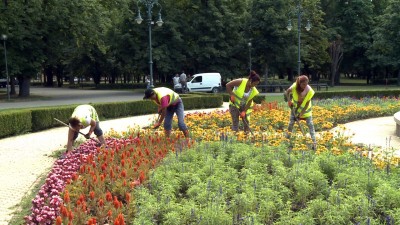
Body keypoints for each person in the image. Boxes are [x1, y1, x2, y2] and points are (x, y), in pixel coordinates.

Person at [284, 75, 317, 150]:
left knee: (310, 125)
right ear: (299, 83)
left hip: (306, 111)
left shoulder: (309, 90)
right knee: (291, 124)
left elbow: (307, 103)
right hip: (294, 109)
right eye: (303, 84)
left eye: (306, 84)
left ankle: (314, 144)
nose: (305, 86)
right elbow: (287, 92)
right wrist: (289, 101)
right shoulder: (294, 87)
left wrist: (301, 114)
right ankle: (286, 141)